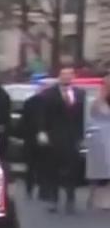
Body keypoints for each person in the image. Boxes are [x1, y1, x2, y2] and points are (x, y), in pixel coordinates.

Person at [37, 66, 86, 214]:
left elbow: (82, 117)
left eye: (69, 74)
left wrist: (82, 136)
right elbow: (42, 114)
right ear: (59, 76)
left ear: (73, 77)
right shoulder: (48, 94)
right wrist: (42, 131)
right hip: (54, 136)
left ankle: (70, 198)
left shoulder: (80, 93)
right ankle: (54, 199)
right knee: (53, 169)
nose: (66, 77)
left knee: (72, 169)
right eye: (64, 74)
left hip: (73, 137)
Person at [86, 74, 110, 209]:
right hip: (100, 140)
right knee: (100, 171)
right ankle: (95, 197)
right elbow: (94, 116)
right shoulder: (97, 101)